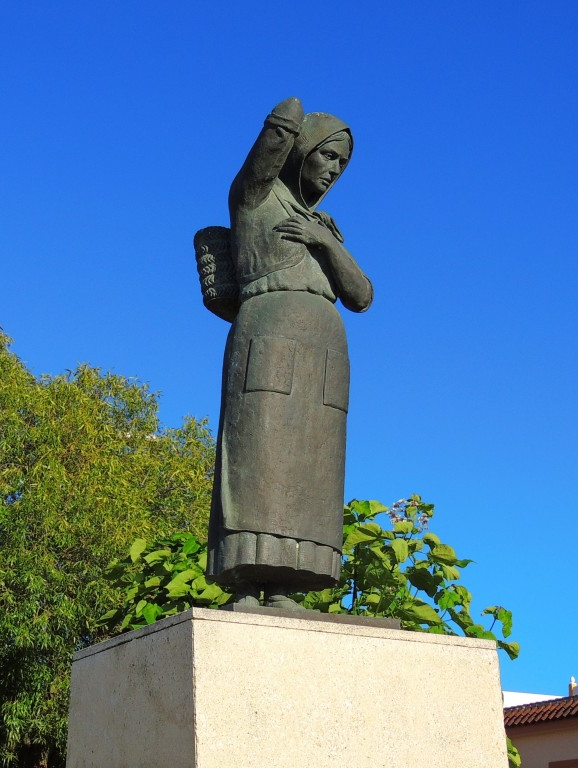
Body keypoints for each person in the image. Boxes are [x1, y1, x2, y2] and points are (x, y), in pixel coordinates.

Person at [205, 97, 373, 609]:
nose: (334, 170)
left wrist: (326, 244)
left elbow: (361, 296)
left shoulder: (327, 226)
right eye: (327, 156)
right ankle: (244, 582)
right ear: (302, 151)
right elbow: (265, 154)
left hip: (323, 352)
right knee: (258, 453)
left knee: (311, 472)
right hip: (270, 335)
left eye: (342, 163)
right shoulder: (255, 200)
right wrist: (286, 121)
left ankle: (285, 585)